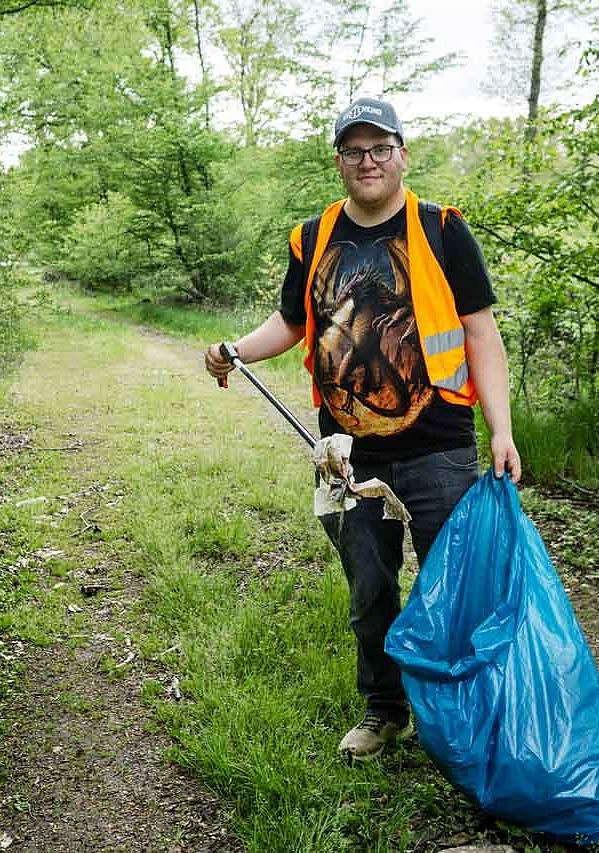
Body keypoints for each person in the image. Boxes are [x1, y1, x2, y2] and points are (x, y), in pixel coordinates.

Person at [205, 97, 521, 762]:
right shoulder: (313, 235)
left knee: (449, 589)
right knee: (370, 591)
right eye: (354, 150)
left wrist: (501, 428)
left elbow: (479, 332)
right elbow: (292, 320)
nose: (368, 160)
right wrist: (235, 348)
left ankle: (461, 718)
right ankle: (385, 711)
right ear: (339, 161)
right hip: (345, 454)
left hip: (438, 447)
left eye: (380, 148)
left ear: (402, 153)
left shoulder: (440, 229)